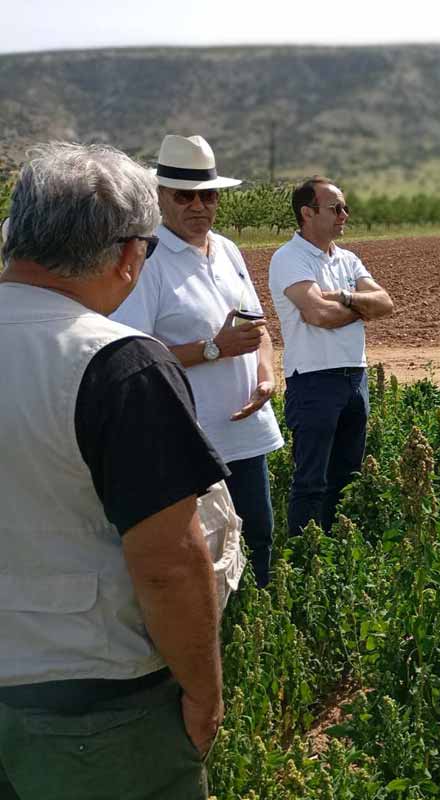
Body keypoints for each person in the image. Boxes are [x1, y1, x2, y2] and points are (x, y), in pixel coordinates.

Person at [0, 143, 229, 798]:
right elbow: (168, 565)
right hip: (97, 711)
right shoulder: (119, 365)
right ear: (130, 254)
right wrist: (203, 698)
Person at [114, 134, 283, 588]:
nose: (198, 206)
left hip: (243, 433)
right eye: (184, 196)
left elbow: (258, 327)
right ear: (160, 198)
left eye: (207, 195)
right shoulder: (147, 259)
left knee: (258, 539)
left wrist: (266, 375)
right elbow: (131, 354)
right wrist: (213, 349)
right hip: (189, 440)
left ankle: (258, 644)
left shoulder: (227, 249)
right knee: (202, 561)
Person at [269, 177, 395, 539]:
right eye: (335, 208)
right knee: (311, 481)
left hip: (355, 377)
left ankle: (337, 556)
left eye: (345, 207)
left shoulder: (348, 259)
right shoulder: (288, 258)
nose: (345, 214)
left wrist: (342, 297)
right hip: (313, 380)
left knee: (347, 477)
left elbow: (386, 303)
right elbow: (318, 316)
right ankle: (307, 561)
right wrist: (360, 306)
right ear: (307, 213)